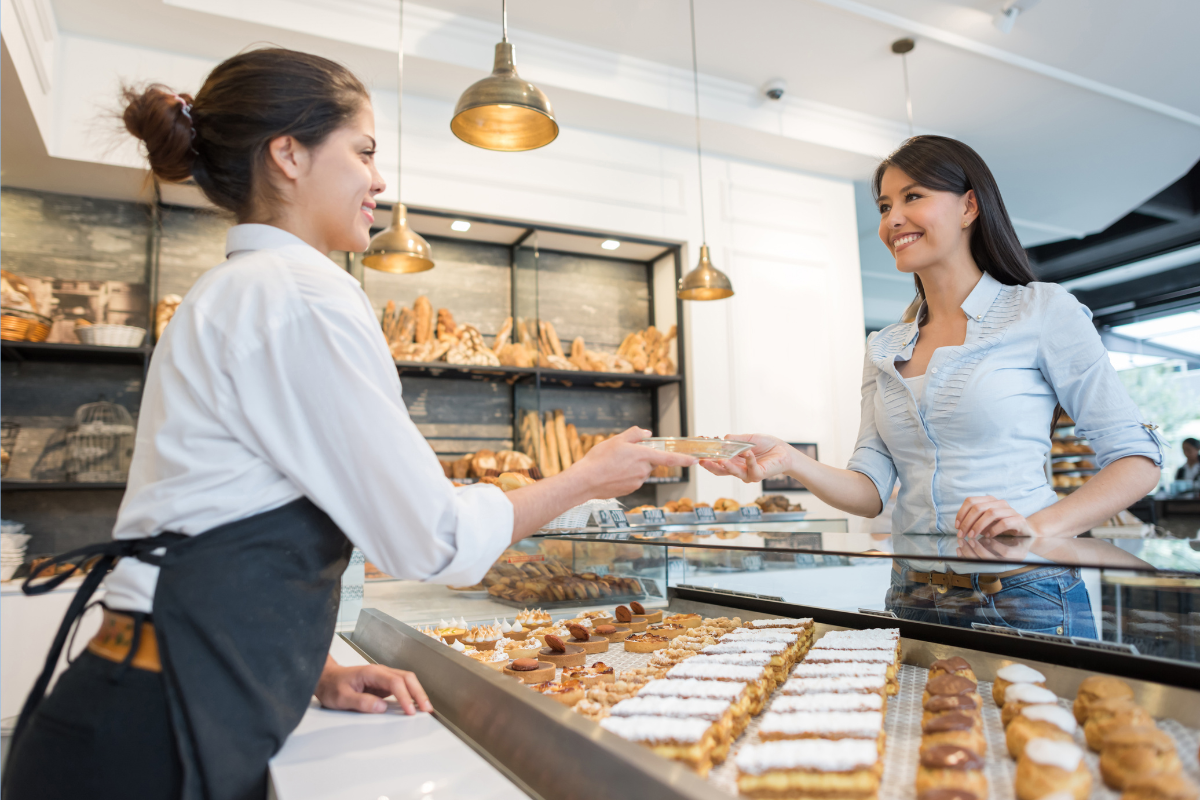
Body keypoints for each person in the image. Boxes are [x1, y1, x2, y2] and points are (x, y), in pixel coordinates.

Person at [2, 48, 694, 800]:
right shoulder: (302, 295)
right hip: (153, 744)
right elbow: (436, 543)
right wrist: (588, 478)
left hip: (142, 712)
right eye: (364, 151)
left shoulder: (233, 290)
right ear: (289, 154)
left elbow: (210, 516)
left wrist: (318, 673)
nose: (380, 180)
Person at [701, 135, 1162, 634]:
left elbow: (1136, 460)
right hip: (911, 593)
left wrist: (1038, 528)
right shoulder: (883, 345)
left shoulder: (1043, 311)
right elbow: (871, 491)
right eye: (884, 205)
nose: (891, 219)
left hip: (1023, 593)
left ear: (968, 206)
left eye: (912, 197)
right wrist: (791, 459)